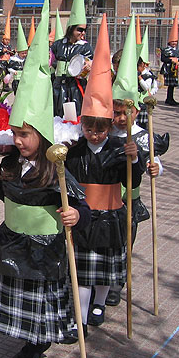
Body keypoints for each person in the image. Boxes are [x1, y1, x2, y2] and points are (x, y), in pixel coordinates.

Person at [0, 0, 91, 358]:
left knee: (41, 304)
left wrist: (76, 213)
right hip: (15, 243)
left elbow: (80, 202)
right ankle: (28, 344)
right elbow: (10, 197)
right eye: (15, 133)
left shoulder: (55, 168)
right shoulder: (12, 163)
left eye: (25, 134)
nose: (19, 140)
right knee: (22, 302)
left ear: (41, 135)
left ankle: (35, 353)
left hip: (45, 248)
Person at [66, 17, 143, 330]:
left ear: (110, 125)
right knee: (83, 272)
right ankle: (81, 315)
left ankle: (99, 305)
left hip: (111, 215)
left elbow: (132, 182)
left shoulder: (118, 147)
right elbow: (68, 183)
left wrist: (135, 161)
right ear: (82, 123)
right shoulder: (74, 150)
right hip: (85, 217)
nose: (95, 133)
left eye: (101, 127)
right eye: (89, 126)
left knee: (104, 272)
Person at [106, 99, 167, 305]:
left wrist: (156, 168)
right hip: (105, 198)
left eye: (126, 113)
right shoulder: (105, 132)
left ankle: (117, 285)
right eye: (117, 113)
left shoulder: (142, 136)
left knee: (124, 243)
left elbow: (155, 159)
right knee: (106, 243)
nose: (121, 118)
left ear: (136, 111)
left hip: (128, 201)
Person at [50, 0, 93, 117]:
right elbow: (49, 63)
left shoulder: (85, 47)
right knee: (57, 114)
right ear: (71, 28)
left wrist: (88, 67)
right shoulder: (57, 45)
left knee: (74, 115)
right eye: (79, 29)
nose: (82, 33)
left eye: (84, 30)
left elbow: (90, 66)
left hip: (76, 87)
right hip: (58, 86)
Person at [159, 13, 179, 106]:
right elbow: (163, 59)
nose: (174, 43)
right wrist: (171, 60)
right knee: (170, 85)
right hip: (168, 69)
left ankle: (170, 98)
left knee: (173, 85)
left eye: (176, 41)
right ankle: (169, 98)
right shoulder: (165, 50)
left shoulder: (177, 50)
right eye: (173, 41)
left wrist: (178, 61)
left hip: (175, 69)